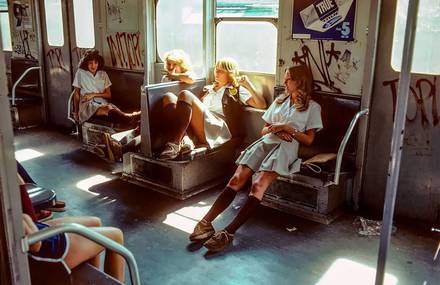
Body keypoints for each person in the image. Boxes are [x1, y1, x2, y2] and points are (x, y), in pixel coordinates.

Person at [189, 65, 323, 252]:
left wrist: (287, 128)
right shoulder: (279, 100)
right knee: (236, 179)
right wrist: (275, 128)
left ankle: (228, 232)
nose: (284, 82)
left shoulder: (313, 107)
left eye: (288, 79)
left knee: (258, 185)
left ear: (300, 81)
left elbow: (308, 140)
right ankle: (206, 222)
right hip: (266, 140)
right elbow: (264, 129)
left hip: (287, 146)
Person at [159, 57, 267, 159]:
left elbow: (261, 105)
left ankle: (175, 144)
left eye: (221, 71)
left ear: (230, 74)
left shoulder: (235, 90)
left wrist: (247, 84)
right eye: (216, 69)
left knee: (185, 94)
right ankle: (185, 138)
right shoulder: (208, 89)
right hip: (203, 123)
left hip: (218, 127)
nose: (216, 72)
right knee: (168, 97)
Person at [20, 180, 125, 282]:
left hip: (37, 227)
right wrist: (24, 218)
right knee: (116, 235)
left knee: (95, 222)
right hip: (42, 248)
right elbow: (36, 245)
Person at [72, 49, 140, 124]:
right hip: (86, 104)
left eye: (95, 63)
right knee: (108, 109)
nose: (93, 66)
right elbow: (76, 94)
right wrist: (76, 112)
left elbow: (108, 94)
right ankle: (132, 116)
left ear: (99, 63)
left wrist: (93, 94)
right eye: (90, 63)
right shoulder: (80, 73)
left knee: (113, 108)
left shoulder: (103, 74)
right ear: (86, 64)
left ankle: (133, 118)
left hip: (101, 102)